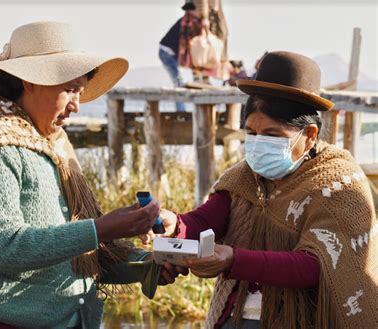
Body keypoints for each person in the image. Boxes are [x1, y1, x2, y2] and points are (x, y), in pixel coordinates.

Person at [0, 21, 187, 329]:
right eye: (70, 90)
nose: (77, 105)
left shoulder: (55, 145)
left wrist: (145, 264)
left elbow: (77, 257)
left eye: (80, 91)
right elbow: (5, 248)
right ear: (31, 81)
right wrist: (102, 228)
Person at [148, 51, 378, 328]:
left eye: (271, 135)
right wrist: (177, 225)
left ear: (309, 135)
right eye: (251, 133)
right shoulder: (243, 177)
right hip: (234, 317)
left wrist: (233, 259)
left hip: (303, 320)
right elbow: (206, 219)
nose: (258, 144)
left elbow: (317, 264)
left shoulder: (339, 183)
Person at [158, 0, 197, 112]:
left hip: (170, 53)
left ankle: (182, 109)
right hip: (167, 52)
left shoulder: (187, 22)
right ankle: (181, 111)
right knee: (178, 81)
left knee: (180, 80)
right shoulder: (187, 23)